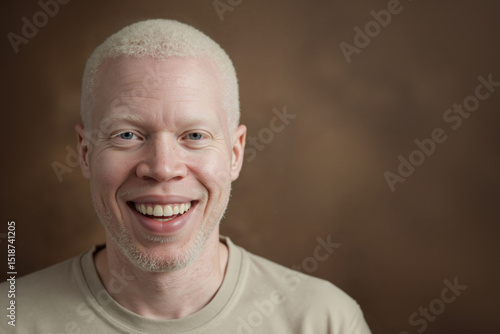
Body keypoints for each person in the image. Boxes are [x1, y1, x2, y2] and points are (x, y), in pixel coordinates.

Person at [1, 19, 371, 333]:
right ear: (85, 153)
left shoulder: (324, 321)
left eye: (194, 136)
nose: (162, 168)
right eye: (127, 135)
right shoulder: (10, 318)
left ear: (235, 153)